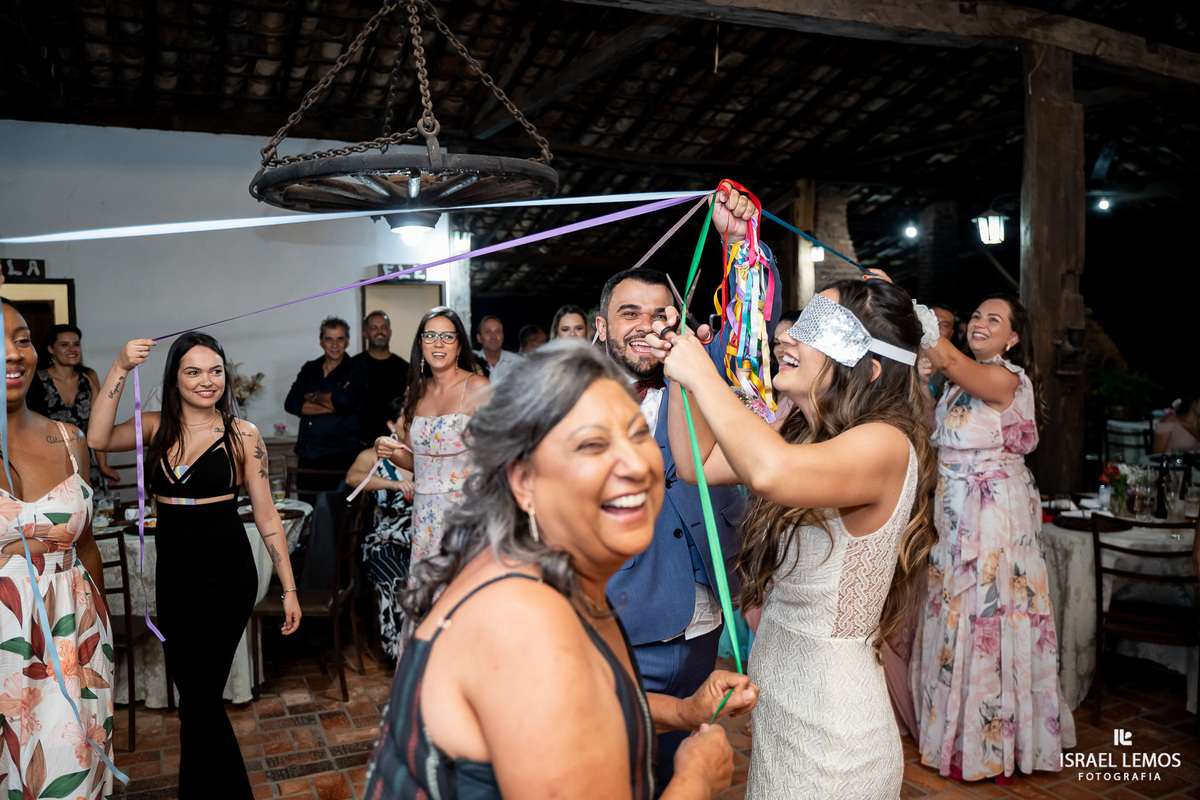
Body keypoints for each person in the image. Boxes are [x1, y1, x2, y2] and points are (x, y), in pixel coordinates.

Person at [364, 341, 758, 799]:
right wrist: (696, 779)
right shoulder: (524, 627)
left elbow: (590, 705)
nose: (633, 464)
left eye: (637, 435)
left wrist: (685, 711)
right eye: (592, 445)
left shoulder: (553, 572)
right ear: (524, 481)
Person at [647, 275, 937, 799]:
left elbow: (769, 472)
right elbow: (695, 462)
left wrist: (704, 377)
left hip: (834, 734)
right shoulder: (808, 434)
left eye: (815, 328)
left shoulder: (886, 444)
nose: (787, 337)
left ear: (868, 369)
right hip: (784, 714)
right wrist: (685, 373)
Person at [594, 184, 780, 790]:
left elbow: (755, 318)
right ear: (601, 329)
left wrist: (737, 240)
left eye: (660, 313)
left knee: (687, 755)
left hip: (703, 613)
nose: (647, 326)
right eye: (630, 314)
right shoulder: (572, 404)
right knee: (614, 761)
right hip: (621, 616)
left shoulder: (703, 366)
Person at [89, 332, 302, 800]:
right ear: (175, 378)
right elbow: (97, 436)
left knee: (201, 700)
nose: (207, 381)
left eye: (215, 371)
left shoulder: (242, 435)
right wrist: (121, 368)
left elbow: (266, 515)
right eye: (193, 371)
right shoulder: (155, 427)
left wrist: (287, 588)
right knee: (197, 703)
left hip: (228, 578)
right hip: (175, 581)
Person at [909, 291, 1076, 783]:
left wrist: (903, 302)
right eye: (977, 314)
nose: (980, 321)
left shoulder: (1005, 378)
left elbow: (949, 358)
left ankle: (998, 744)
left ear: (1014, 337)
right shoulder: (958, 388)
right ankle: (958, 737)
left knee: (992, 615)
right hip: (956, 514)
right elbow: (930, 432)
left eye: (994, 319)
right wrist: (922, 387)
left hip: (996, 523)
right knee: (957, 617)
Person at [0, 299, 116, 797]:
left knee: (69, 777)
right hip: (5, 651)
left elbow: (86, 546)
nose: (13, 354)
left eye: (22, 339)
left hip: (73, 646)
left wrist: (101, 640)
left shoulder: (69, 441)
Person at [374, 307, 489, 585]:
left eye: (448, 336)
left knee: (463, 598)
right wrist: (390, 452)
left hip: (465, 514)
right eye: (430, 336)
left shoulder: (478, 388)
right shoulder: (416, 391)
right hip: (425, 516)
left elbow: (499, 455)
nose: (438, 343)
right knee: (428, 598)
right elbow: (418, 462)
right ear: (421, 344)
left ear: (459, 345)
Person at [346, 397, 414, 661]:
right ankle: (401, 655)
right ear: (391, 424)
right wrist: (391, 484)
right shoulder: (374, 456)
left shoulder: (426, 455)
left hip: (421, 538)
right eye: (407, 420)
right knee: (398, 581)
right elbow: (353, 478)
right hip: (384, 540)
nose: (413, 424)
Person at [25, 324, 121, 487]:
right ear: (51, 349)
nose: (72, 349)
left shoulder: (88, 379)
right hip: (48, 466)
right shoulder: (36, 380)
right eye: (64, 345)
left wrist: (103, 465)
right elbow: (27, 429)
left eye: (76, 344)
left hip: (84, 465)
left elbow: (97, 426)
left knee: (91, 510)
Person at [284, 316, 368, 499]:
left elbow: (346, 401)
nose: (334, 345)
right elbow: (291, 403)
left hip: (340, 458)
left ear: (347, 342)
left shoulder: (357, 369)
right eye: (329, 339)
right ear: (321, 341)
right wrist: (335, 404)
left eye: (340, 339)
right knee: (306, 513)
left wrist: (312, 396)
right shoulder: (310, 369)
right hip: (307, 458)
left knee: (334, 517)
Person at [353, 311, 410, 444]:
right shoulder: (352, 367)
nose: (380, 331)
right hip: (359, 444)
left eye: (384, 327)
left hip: (396, 445)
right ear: (365, 332)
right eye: (374, 328)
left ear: (390, 332)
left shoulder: (405, 368)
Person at [473, 315, 522, 383]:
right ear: (479, 338)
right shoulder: (472, 361)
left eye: (497, 332)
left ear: (503, 336)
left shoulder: (517, 362)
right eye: (488, 332)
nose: (493, 336)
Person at [927, 304, 956, 398]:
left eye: (944, 325)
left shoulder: (953, 371)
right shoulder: (905, 356)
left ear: (951, 334)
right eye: (933, 320)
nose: (936, 327)